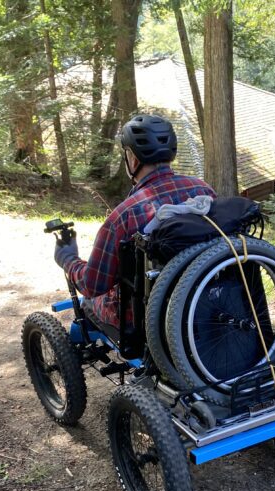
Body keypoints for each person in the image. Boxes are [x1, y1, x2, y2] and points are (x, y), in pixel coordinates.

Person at [54, 114, 216, 333]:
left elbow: (93, 285)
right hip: (203, 305)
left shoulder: (124, 217)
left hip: (142, 321)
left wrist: (68, 258)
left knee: (89, 301)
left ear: (132, 158)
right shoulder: (204, 192)